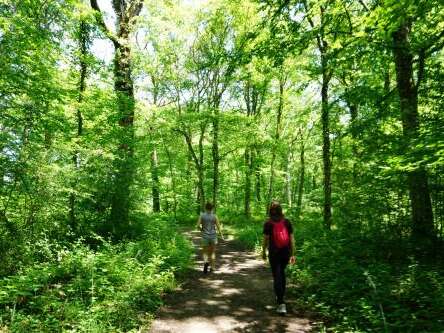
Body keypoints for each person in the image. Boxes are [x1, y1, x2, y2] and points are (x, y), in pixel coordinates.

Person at [262, 201, 296, 315]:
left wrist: (263, 251)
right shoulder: (287, 222)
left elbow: (265, 239)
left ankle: (281, 303)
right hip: (285, 252)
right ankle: (281, 297)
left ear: (270, 211)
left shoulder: (268, 223)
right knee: (281, 273)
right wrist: (293, 253)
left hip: (274, 253)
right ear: (281, 210)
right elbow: (292, 239)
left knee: (277, 275)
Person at [196, 202, 224, 274]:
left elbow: (197, 225)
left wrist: (201, 229)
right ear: (212, 208)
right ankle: (212, 267)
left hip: (205, 236)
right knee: (212, 252)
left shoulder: (202, 215)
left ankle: (205, 262)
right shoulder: (215, 216)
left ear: (205, 208)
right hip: (213, 236)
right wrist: (221, 235)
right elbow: (218, 227)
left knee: (205, 252)